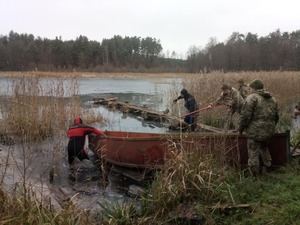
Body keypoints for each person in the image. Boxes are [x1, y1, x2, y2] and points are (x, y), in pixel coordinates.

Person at [239, 79, 279, 177]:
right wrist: (270, 127)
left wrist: (241, 128)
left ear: (253, 88)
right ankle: (268, 168)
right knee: (264, 148)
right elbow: (276, 116)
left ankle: (254, 175)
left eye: (250, 88)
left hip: (255, 132)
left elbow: (245, 116)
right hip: (269, 131)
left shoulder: (252, 98)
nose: (249, 90)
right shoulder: (272, 99)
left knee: (253, 153)